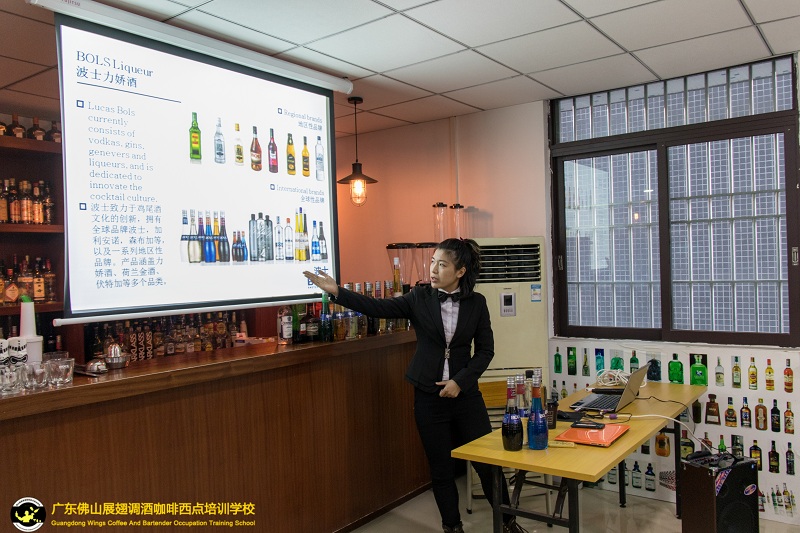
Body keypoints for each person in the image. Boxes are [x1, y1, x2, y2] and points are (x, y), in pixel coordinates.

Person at [303, 238, 525, 533]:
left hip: (466, 397)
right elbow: (377, 307)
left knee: (487, 464)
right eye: (432, 262)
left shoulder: (477, 303)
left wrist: (459, 382)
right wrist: (338, 292)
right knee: (441, 469)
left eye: (442, 264)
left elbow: (486, 351)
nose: (433, 269)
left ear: (460, 271)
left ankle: (508, 524)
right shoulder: (419, 297)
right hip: (428, 396)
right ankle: (452, 527)